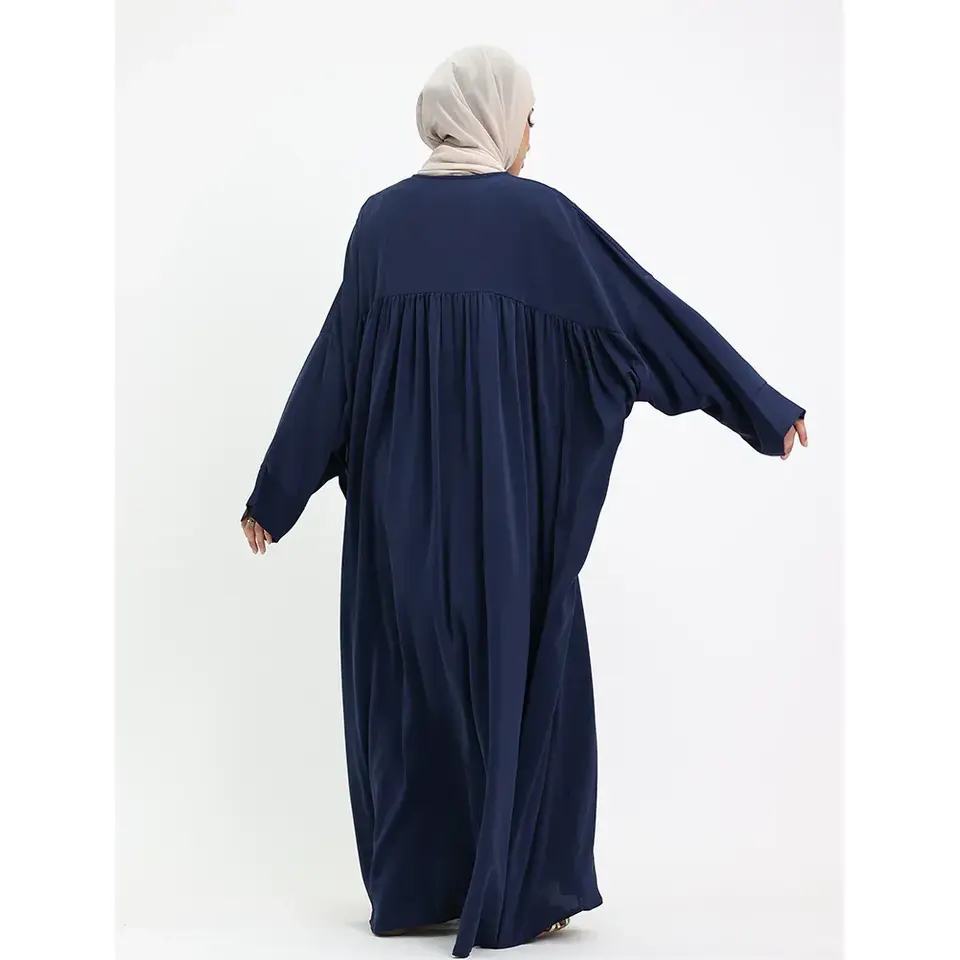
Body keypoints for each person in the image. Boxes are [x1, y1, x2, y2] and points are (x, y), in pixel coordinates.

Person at [240, 45, 807, 959]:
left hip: (397, 534)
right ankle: (529, 895)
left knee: (411, 701)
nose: (531, 139)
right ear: (495, 117)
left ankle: (419, 889)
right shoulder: (540, 222)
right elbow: (645, 317)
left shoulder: (379, 225)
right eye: (530, 119)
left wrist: (276, 494)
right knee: (533, 691)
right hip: (504, 532)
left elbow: (333, 367)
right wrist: (759, 406)